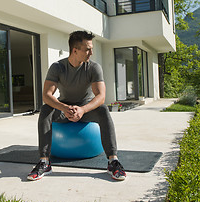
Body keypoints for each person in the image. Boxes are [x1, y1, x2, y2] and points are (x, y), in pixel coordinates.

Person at [27, 30, 126, 181]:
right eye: (87, 49)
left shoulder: (93, 67)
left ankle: (113, 161)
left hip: (86, 109)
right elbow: (47, 95)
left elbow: (101, 96)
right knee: (46, 109)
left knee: (103, 110)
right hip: (64, 109)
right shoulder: (57, 67)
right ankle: (44, 162)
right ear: (75, 50)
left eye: (91, 49)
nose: (91, 53)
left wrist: (82, 109)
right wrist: (64, 108)